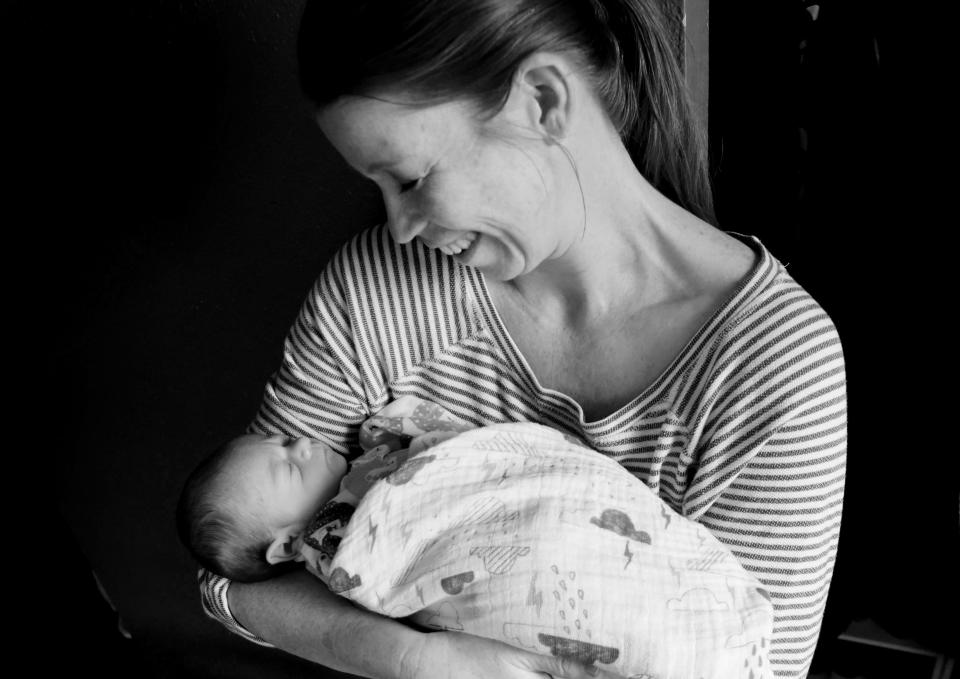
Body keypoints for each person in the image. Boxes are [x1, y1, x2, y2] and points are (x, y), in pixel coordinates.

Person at [196, 1, 847, 678]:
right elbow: (234, 566)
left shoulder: (774, 364)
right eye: (379, 187)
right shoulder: (376, 290)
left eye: (411, 179)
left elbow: (750, 664)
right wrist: (420, 659)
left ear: (542, 99)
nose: (397, 227)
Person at [180, 396, 774, 679]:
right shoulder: (339, 549)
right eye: (286, 461)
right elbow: (221, 587)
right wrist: (418, 660)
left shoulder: (372, 455)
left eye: (286, 438)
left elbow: (458, 453)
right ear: (286, 545)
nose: (302, 442)